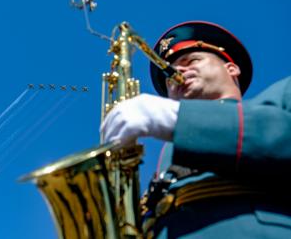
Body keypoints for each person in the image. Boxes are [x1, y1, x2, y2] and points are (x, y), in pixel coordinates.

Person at [100, 21, 291, 238]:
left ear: (231, 68)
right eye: (169, 73)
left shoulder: (283, 92)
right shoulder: (165, 159)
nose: (176, 71)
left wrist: (179, 120)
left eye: (191, 60)